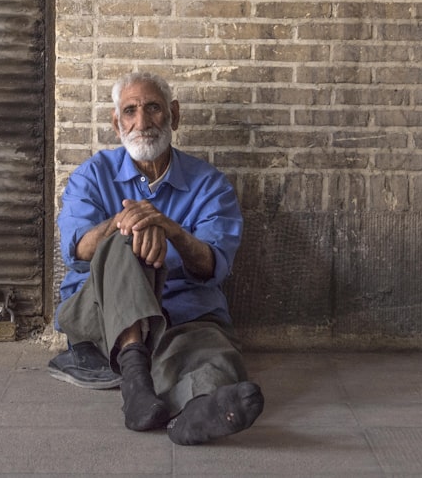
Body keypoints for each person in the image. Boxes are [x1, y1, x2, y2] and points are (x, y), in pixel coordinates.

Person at [47, 70, 264, 445]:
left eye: (153, 109)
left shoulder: (209, 184)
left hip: (183, 310)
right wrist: (126, 222)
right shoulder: (91, 176)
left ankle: (195, 414)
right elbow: (79, 249)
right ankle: (134, 372)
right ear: (117, 123)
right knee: (124, 240)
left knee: (217, 355)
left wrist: (171, 230)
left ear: (174, 115)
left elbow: (213, 264)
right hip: (100, 312)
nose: (142, 122)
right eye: (130, 111)